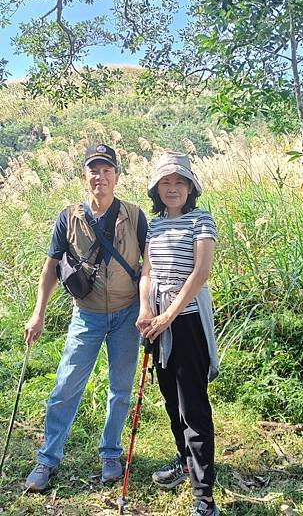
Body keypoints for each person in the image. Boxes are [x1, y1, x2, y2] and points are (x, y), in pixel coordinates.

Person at [24, 143, 147, 492]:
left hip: (127, 315)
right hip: (87, 315)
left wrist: (149, 310)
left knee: (120, 389)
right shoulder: (69, 217)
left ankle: (110, 453)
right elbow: (50, 268)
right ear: (85, 176)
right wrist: (38, 313)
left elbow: (148, 266)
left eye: (107, 170)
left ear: (117, 176)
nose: (100, 176)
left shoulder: (136, 216)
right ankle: (47, 459)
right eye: (94, 170)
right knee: (65, 387)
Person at [136, 151, 219, 516]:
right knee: (171, 398)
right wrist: (146, 310)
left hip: (186, 321)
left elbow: (200, 273)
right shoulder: (153, 226)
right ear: (157, 189)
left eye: (179, 182)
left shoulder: (201, 220)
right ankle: (185, 461)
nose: (172, 188)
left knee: (193, 407)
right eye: (166, 182)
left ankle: (204, 497)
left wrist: (169, 313)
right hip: (158, 321)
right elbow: (147, 274)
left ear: (190, 188)